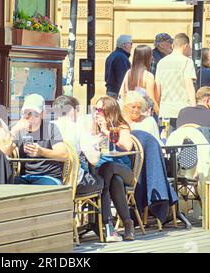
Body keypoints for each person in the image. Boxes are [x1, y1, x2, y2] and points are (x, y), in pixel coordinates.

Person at [52, 95, 121, 242]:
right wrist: (95, 144)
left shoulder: (49, 126)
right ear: (73, 110)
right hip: (74, 183)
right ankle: (108, 229)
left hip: (54, 181)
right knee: (102, 182)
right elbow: (94, 160)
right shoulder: (77, 128)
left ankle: (86, 225)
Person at [94, 96, 135, 241]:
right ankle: (127, 223)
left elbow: (126, 146)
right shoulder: (93, 126)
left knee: (109, 168)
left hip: (123, 169)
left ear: (109, 111)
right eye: (95, 109)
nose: (96, 112)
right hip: (103, 171)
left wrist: (106, 131)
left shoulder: (121, 126)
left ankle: (107, 224)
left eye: (99, 109)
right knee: (114, 181)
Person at [10, 94, 69, 186]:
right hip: (24, 176)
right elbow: (2, 152)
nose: (30, 117)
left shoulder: (50, 128)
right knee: (6, 185)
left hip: (49, 176)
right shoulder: (18, 129)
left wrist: (41, 151)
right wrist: (14, 131)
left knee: (41, 190)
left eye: (35, 113)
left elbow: (64, 155)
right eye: (27, 113)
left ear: (43, 114)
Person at [156, 33, 196, 132]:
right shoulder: (187, 61)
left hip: (165, 110)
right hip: (183, 110)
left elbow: (157, 88)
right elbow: (189, 85)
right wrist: (194, 107)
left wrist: (158, 109)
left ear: (173, 46)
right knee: (181, 142)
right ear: (186, 46)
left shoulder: (162, 62)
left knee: (166, 142)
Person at [119, 44, 159, 115]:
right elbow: (151, 99)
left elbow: (122, 94)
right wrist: (159, 113)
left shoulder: (128, 73)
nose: (152, 58)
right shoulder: (148, 75)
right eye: (151, 55)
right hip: (143, 114)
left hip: (130, 113)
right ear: (147, 57)